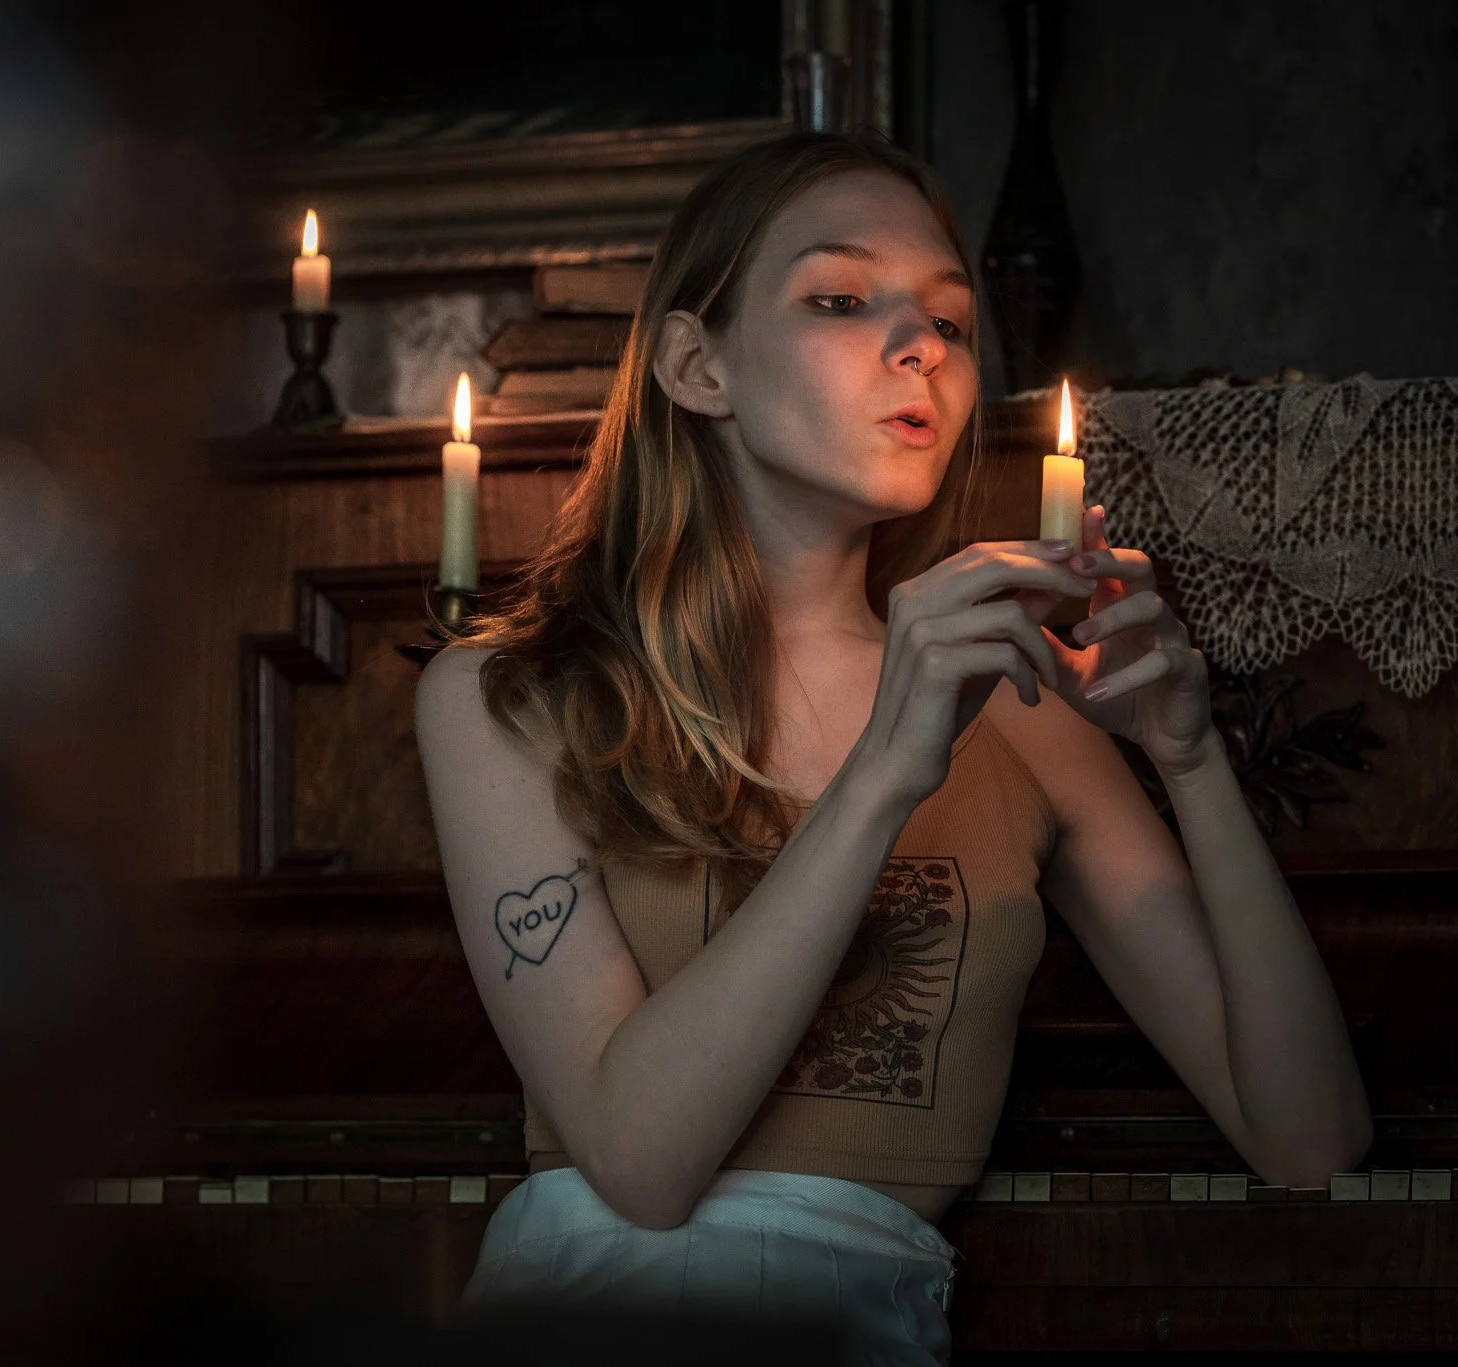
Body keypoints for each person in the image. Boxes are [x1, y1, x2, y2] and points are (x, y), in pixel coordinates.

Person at [413, 130, 1371, 1366]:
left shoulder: (1023, 708)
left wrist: (1188, 766)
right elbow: (640, 1165)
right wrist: (884, 769)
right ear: (698, 366)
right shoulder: (502, 696)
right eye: (840, 298)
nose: (920, 344)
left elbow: (1307, 1142)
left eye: (951, 321)